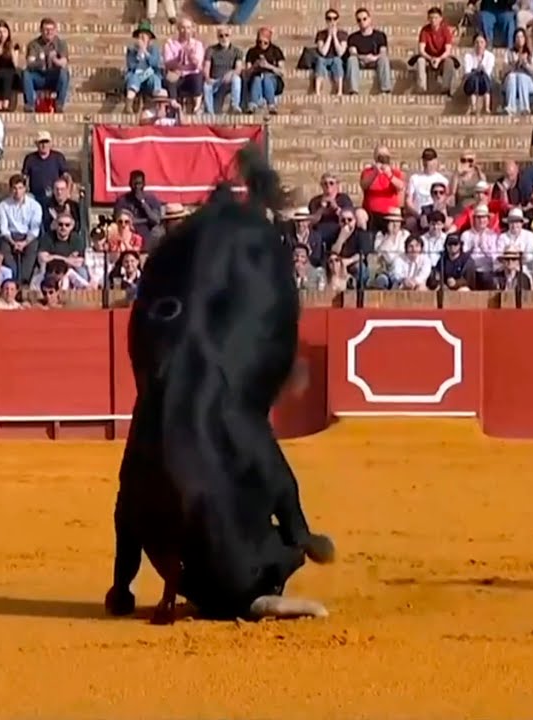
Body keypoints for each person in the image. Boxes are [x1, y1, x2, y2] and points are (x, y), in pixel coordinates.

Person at [106, 146, 335, 625]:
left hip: (186, 557)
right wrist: (297, 533)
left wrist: (123, 584)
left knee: (144, 485)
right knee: (247, 448)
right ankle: (286, 545)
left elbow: (128, 511)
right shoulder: (228, 413)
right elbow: (271, 471)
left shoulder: (176, 270)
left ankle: (284, 542)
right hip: (223, 563)